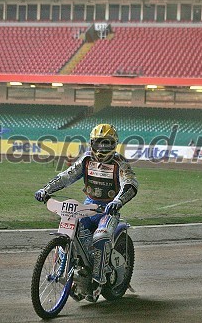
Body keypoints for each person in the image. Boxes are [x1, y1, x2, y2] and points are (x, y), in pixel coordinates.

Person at [35, 123, 138, 302]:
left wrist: (117, 201)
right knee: (70, 229)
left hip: (108, 210)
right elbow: (67, 176)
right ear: (92, 143)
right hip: (88, 207)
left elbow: (130, 184)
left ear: (114, 144)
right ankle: (72, 268)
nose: (102, 148)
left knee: (101, 236)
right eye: (99, 143)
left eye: (107, 143)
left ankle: (99, 278)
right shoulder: (86, 160)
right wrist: (46, 189)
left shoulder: (119, 163)